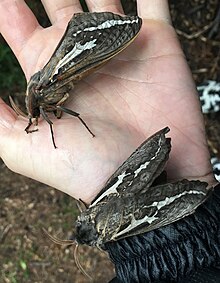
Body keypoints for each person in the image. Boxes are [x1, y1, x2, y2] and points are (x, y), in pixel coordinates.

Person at [0, 1, 219, 282]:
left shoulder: (47, 93)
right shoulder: (43, 91)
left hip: (180, 228)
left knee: (157, 204)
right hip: (145, 200)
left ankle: (199, 175)